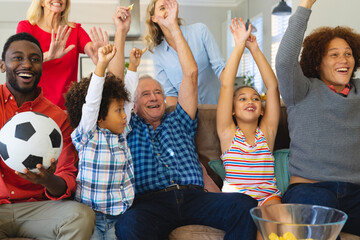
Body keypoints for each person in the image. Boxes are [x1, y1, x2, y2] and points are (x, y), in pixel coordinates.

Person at [115, 1, 258, 239]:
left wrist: (172, 27)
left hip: (195, 197)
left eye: (158, 92)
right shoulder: (128, 127)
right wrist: (120, 33)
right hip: (152, 202)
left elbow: (191, 75)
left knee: (244, 204)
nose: (154, 97)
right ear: (134, 105)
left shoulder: (179, 119)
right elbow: (118, 85)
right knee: (129, 224)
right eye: (146, 94)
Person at [276, 0, 360, 236]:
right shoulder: (300, 90)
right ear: (317, 61)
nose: (343, 59)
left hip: (355, 194)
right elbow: (284, 61)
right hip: (310, 190)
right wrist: (304, 6)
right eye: (334, 55)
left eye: (348, 54)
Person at [0, 32, 95, 239]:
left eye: (35, 59)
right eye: (18, 58)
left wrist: (47, 179)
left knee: (81, 215)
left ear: (42, 67)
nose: (27, 64)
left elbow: (67, 178)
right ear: (3, 65)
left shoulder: (58, 118)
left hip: (38, 208)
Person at [217, 17, 281, 206]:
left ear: (262, 110)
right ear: (233, 111)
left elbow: (272, 87)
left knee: (274, 222)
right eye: (242, 99)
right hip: (236, 198)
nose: (250, 101)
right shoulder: (228, 134)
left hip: (268, 197)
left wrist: (254, 48)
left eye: (255, 98)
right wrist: (239, 45)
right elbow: (227, 85)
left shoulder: (267, 133)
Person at [16, 0, 108, 110]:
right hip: (34, 108)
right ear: (41, 2)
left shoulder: (75, 30)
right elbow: (21, 63)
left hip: (65, 111)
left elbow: (91, 49)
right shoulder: (26, 27)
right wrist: (47, 56)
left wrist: (98, 55)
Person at [144, 0, 225, 106]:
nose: (168, 10)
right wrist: (179, 120)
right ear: (153, 18)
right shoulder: (158, 54)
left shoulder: (200, 31)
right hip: (189, 118)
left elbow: (220, 69)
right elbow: (170, 94)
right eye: (162, 8)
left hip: (219, 107)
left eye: (170, 6)